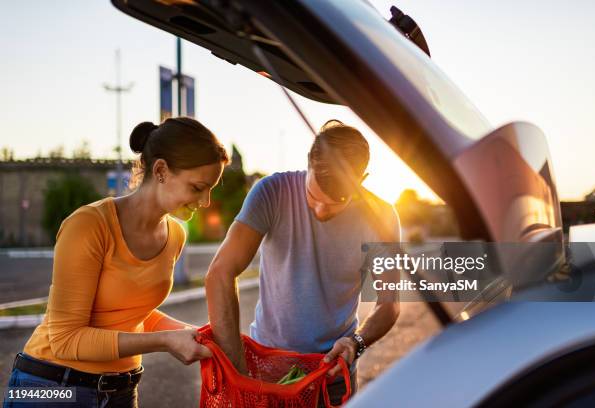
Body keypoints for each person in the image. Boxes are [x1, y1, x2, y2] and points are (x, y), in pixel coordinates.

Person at [3, 117, 229, 408]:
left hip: (121, 392)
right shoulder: (89, 225)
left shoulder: (175, 235)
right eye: (198, 187)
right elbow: (65, 339)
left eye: (210, 188)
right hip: (50, 388)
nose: (206, 201)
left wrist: (196, 335)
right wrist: (167, 341)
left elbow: (132, 313)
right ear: (160, 170)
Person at [205, 120, 401, 406]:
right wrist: (238, 371)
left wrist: (356, 343)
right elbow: (220, 273)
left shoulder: (382, 217)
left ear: (362, 178)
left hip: (330, 376)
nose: (321, 210)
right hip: (266, 372)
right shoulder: (271, 192)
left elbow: (389, 303)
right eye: (313, 197)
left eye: (336, 203)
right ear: (308, 161)